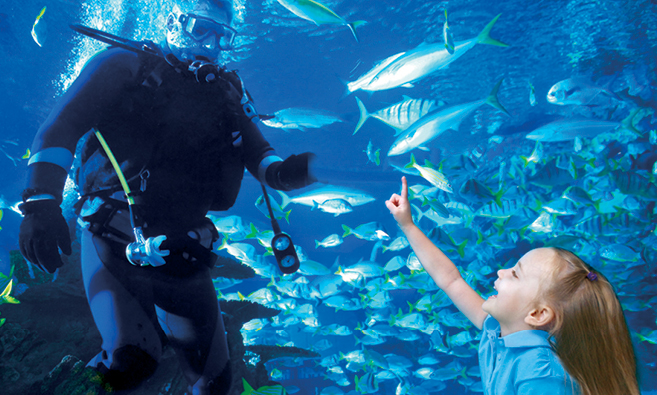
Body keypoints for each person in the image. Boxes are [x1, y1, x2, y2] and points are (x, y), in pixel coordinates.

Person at [17, 1, 316, 394]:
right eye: (200, 29)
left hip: (184, 249)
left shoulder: (228, 91)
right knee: (130, 363)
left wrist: (285, 173)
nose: (210, 45)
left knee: (216, 386)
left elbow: (259, 154)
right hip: (114, 233)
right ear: (174, 22)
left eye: (222, 36)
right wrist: (40, 202)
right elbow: (62, 125)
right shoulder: (125, 66)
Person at [385, 176, 640, 395]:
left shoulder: (540, 374)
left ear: (537, 314)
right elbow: (450, 280)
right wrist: (407, 224)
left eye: (515, 274)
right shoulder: (496, 330)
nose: (501, 271)